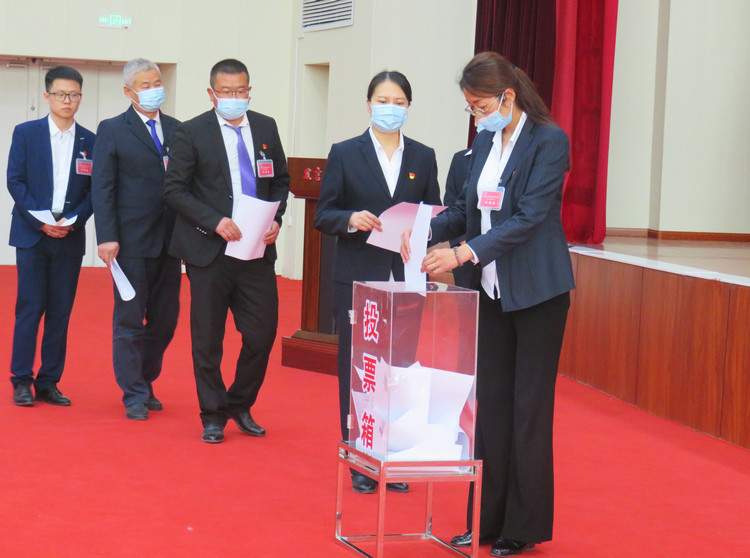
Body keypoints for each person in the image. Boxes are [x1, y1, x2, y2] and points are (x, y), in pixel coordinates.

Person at [403, 52, 575, 557]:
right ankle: (484, 521)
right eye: (471, 109)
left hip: (537, 293)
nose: (477, 117)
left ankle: (522, 526)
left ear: (508, 96)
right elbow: (464, 208)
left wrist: (463, 253)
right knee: (491, 409)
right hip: (491, 291)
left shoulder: (549, 141)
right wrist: (420, 229)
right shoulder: (483, 142)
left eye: (481, 106)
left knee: (528, 411)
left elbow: (529, 218)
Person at [314, 70, 441, 494]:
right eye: (383, 100)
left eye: (399, 101)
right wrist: (351, 219)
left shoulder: (423, 156)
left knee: (400, 368)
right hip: (357, 275)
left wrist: (424, 232)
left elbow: (436, 212)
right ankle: (360, 457)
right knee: (360, 368)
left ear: (409, 106)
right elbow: (324, 214)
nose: (391, 108)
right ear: (369, 104)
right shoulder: (345, 152)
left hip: (406, 276)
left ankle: (393, 455)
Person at [164, 59, 289, 444]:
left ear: (249, 91)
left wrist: (276, 219)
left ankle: (239, 402)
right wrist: (214, 221)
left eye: (241, 91)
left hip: (255, 250)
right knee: (208, 339)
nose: (235, 98)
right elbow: (174, 190)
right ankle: (212, 414)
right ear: (212, 93)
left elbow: (280, 181)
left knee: (261, 333)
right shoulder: (191, 132)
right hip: (209, 251)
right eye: (226, 92)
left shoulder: (265, 127)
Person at [92, 58, 182, 421]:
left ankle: (146, 379)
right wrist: (107, 236)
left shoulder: (177, 129)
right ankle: (134, 393)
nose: (154, 90)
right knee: (130, 319)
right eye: (145, 85)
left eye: (157, 83)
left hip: (171, 242)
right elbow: (103, 187)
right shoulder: (113, 129)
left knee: (165, 320)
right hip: (129, 243)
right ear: (129, 91)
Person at [6, 66, 95, 407]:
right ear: (47, 96)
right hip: (33, 234)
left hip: (69, 236)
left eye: (73, 94)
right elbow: (15, 181)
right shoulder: (26, 133)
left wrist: (74, 220)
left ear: (80, 97)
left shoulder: (90, 140)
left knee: (60, 312)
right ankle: (21, 379)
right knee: (30, 307)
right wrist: (41, 221)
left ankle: (49, 381)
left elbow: (95, 190)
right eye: (60, 94)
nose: (67, 100)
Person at [443, 148, 473, 288]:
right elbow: (451, 204)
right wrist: (462, 240)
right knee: (467, 298)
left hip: (501, 248)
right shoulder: (461, 159)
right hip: (463, 250)